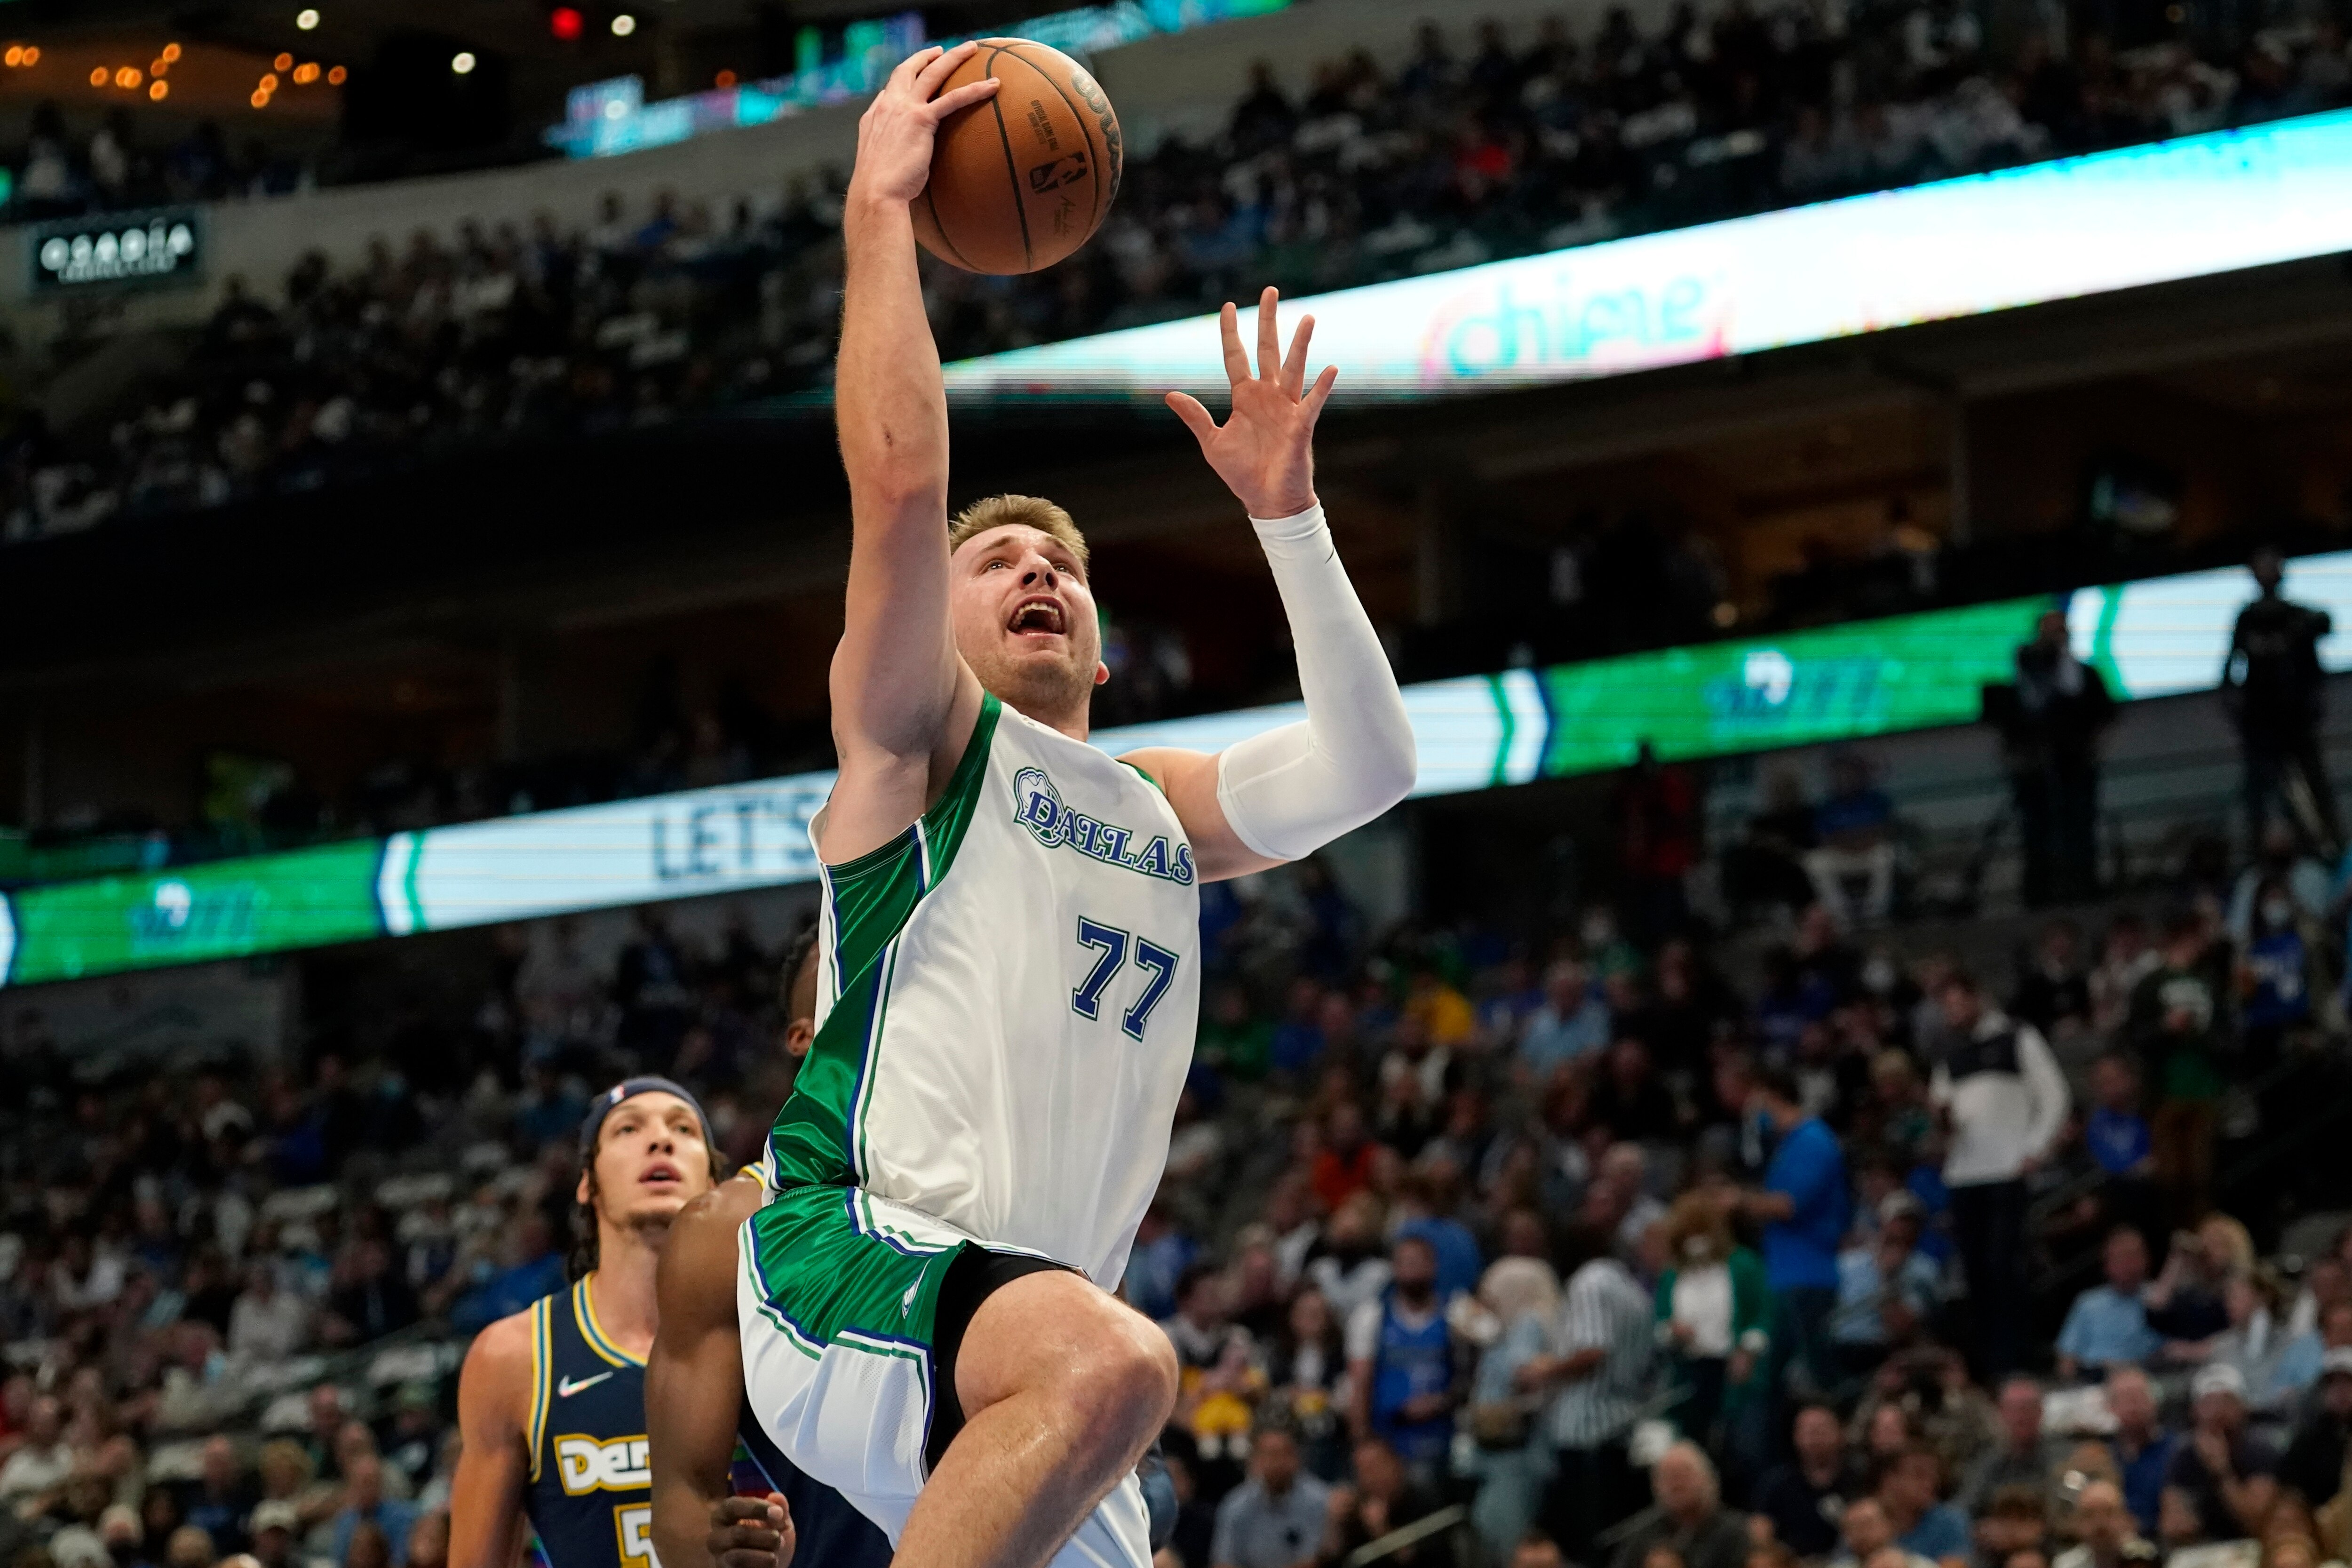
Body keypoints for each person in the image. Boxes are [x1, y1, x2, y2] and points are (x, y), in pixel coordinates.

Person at [645, 41, 1415, 1568]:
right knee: (1120, 1359)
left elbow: (1373, 768)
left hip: (1019, 1354)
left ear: (1108, 647)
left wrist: (1292, 518)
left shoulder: (1154, 806)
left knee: (1104, 1370)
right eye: (1001, 564)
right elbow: (899, 489)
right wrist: (879, 210)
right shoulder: (920, 742)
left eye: (1061, 562)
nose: (1037, 572)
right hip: (859, 1256)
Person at [447, 1080, 835, 1568]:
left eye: (683, 1129)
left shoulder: (787, 1332)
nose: (660, 1141)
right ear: (586, 1182)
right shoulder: (514, 1357)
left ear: (716, 1183)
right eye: (629, 1129)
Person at [1927, 970, 2069, 1380]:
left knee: (2003, 1265)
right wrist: (1941, 1120)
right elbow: (1942, 1109)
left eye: (1957, 1002)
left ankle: (2017, 1356)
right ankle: (1991, 1362)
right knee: (1976, 1272)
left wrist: (2035, 1148)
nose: (1952, 1012)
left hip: (2006, 1167)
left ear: (1977, 998)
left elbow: (2054, 1093)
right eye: (1945, 1005)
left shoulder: (2016, 1036)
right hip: (1964, 1171)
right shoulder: (1948, 1052)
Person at [1528, 1225, 1656, 1565]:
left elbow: (1594, 1350)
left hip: (1586, 1430)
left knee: (1585, 1545)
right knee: (1613, 1542)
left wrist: (1544, 1371)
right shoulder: (1632, 1288)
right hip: (1623, 1425)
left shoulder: (1590, 1282)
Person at [1730, 1065, 1851, 1403]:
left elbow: (1786, 1205)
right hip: (1784, 1276)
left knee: (1817, 1381)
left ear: (1770, 1094)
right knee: (1776, 1385)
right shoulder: (1786, 1146)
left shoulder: (1813, 1140)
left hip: (1807, 1277)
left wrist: (1736, 1200)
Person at [2222, 546, 2340, 855]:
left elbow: (2325, 626)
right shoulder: (2248, 619)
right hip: (2261, 724)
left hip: (2296, 719)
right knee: (2259, 793)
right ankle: (2260, 855)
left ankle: (2330, 848)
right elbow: (2230, 670)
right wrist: (2237, 713)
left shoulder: (2298, 615)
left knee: (2314, 787)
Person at [2002, 609, 2115, 906]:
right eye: (2048, 632)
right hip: (2035, 773)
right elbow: (2017, 717)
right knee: (2037, 833)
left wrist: (2093, 748)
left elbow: (2103, 715)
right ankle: (2040, 894)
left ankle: (2083, 888)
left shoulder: (2085, 675)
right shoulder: (2028, 676)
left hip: (2076, 767)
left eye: (2059, 632)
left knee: (2079, 828)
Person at [1347, 1235, 1464, 1485]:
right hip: (1388, 1441)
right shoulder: (1372, 1317)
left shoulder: (1458, 1313)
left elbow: (1473, 1374)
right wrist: (1362, 1443)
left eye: (1418, 1261)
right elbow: (1360, 1384)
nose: (1411, 1268)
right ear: (1394, 1268)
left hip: (1444, 1440)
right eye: (1404, 1262)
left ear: (1434, 1266)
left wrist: (1444, 1401)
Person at [2165, 1365, 2278, 1544]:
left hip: (2250, 1544)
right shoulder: (2184, 1455)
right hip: (2202, 1547)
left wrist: (2222, 1471)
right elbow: (2173, 1523)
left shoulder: (2260, 1451)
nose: (2217, 1411)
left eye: (2227, 1402)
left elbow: (2257, 1522)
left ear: (2243, 1408)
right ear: (2195, 1411)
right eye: (2208, 1403)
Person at [1752, 1403, 1866, 1559]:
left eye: (1821, 1429)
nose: (1814, 1437)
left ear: (1842, 1432)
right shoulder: (1777, 1483)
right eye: (1806, 1430)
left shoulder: (1861, 1478)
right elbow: (1760, 1532)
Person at [1208, 1425, 1328, 1568]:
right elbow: (1223, 1562)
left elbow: (1313, 1561)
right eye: (1267, 1455)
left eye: (1281, 1454)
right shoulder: (1236, 1504)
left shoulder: (1320, 1500)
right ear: (1254, 1460)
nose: (1275, 1463)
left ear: (1296, 1458)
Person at [1610, 1443, 1747, 1568]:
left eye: (1684, 1474)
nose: (1677, 1484)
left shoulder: (1735, 1532)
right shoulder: (1641, 1535)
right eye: (1668, 1477)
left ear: (1708, 1479)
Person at [2057, 1228, 2164, 1381]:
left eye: (2134, 1256)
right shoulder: (2088, 1304)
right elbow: (2066, 1359)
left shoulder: (2160, 1298)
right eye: (2121, 1258)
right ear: (2107, 1263)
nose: (2128, 1264)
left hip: (2150, 1379)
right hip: (2097, 1383)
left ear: (2147, 1259)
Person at [1806, 752, 1899, 927]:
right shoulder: (1828, 806)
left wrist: (1858, 840)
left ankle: (1875, 915)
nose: (1846, 778)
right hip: (1841, 856)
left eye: (1850, 773)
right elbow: (1824, 838)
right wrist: (1852, 841)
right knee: (1815, 862)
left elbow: (1884, 831)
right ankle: (1840, 917)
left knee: (1886, 855)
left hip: (1870, 853)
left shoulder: (1877, 800)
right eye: (1840, 774)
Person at [1959, 1378, 2060, 1516]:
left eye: (2027, 1409)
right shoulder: (1985, 1458)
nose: (2020, 1418)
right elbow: (1964, 1507)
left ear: (2040, 1412)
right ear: (2001, 1413)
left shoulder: (2061, 1456)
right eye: (2012, 1409)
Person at [2103, 1368, 2177, 1537]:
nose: (2134, 1407)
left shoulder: (2176, 1450)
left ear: (2154, 1402)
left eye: (2139, 1398)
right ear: (2111, 1407)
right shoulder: (2103, 1455)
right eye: (2126, 1400)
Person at [2276, 1346, 2352, 1509]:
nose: (2341, 1391)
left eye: (2348, 1383)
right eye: (2333, 1384)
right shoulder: (2310, 1436)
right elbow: (2288, 1484)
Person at [1876, 1445, 1971, 1568]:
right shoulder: (1867, 1519)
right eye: (1919, 1475)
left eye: (1933, 1477)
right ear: (1890, 1480)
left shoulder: (1950, 1522)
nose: (1929, 1484)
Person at [2050, 1480, 2156, 1568]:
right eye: (2089, 1515)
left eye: (2109, 1512)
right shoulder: (2066, 1565)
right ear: (2078, 1523)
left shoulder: (2147, 1560)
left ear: (2125, 1518)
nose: (2100, 1523)